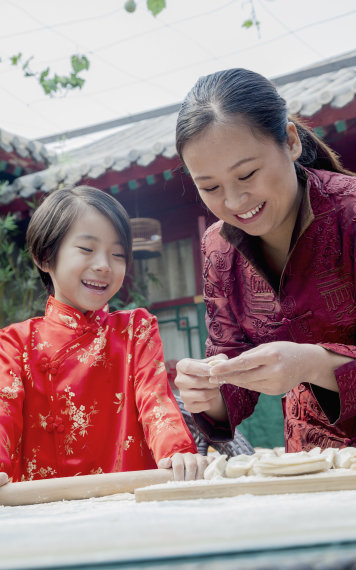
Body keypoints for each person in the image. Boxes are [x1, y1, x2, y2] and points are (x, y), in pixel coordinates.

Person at [174, 67, 356, 453]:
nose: (233, 202)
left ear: (291, 142)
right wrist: (207, 393)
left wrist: (312, 363)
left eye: (247, 174)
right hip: (307, 460)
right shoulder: (219, 247)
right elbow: (228, 360)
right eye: (210, 187)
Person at [0, 185, 211, 486]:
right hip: (45, 507)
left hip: (128, 501)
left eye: (118, 254)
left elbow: (156, 401)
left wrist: (176, 452)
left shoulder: (135, 330)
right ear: (45, 257)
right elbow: (2, 412)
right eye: (86, 249)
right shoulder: (14, 343)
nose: (103, 265)